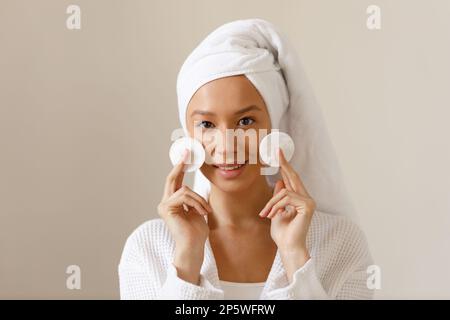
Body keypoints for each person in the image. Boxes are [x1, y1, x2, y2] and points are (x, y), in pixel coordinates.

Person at [118, 19, 374, 300]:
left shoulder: (340, 243)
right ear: (187, 138)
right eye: (206, 125)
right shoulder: (148, 247)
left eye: (245, 121)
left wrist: (295, 257)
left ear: (275, 128)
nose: (227, 148)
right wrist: (187, 261)